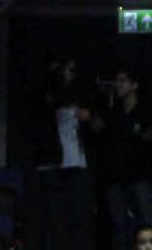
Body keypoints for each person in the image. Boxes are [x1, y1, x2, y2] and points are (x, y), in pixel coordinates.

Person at [29, 54, 95, 250]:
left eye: (74, 71)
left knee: (77, 216)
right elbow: (50, 99)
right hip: (52, 162)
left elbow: (95, 121)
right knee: (54, 219)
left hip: (75, 162)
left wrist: (89, 117)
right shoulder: (44, 93)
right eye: (68, 70)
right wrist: (55, 76)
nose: (71, 75)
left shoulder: (78, 92)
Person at [92, 69, 152, 250]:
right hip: (114, 180)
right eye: (116, 81)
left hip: (140, 177)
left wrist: (150, 135)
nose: (118, 84)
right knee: (119, 229)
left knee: (148, 225)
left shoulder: (147, 112)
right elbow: (95, 127)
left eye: (122, 80)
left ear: (134, 85)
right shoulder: (111, 114)